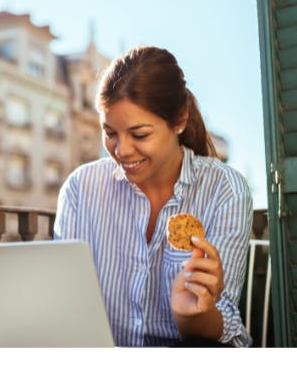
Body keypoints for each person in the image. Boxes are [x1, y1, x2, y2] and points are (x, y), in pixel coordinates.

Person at [54, 46, 253, 347]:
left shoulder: (225, 189)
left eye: (140, 134)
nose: (122, 150)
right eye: (110, 133)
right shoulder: (80, 188)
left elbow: (216, 330)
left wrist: (191, 315)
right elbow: (65, 302)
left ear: (179, 121)